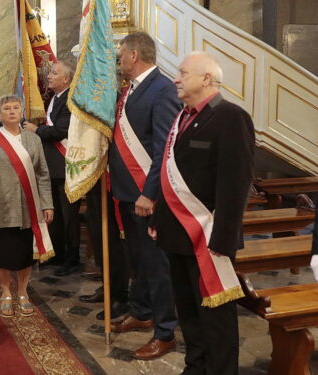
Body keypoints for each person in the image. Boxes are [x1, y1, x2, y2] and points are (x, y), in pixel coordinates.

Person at [150, 51, 255, 375]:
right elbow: (170, 175)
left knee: (217, 315)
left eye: (182, 73)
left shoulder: (231, 117)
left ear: (206, 78)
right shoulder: (182, 117)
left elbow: (235, 185)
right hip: (178, 235)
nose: (176, 79)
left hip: (210, 240)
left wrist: (222, 239)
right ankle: (196, 366)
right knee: (189, 312)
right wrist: (158, 218)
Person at [107, 32, 180, 360]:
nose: (118, 59)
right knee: (139, 260)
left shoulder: (162, 90)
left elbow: (163, 149)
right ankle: (142, 310)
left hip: (147, 197)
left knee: (156, 265)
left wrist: (149, 194)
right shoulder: (131, 90)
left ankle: (165, 332)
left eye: (121, 54)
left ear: (134, 55)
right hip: (126, 193)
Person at [0, 95, 53, 318]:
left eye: (16, 108)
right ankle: (6, 292)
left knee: (24, 253)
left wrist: (47, 203)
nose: (12, 111)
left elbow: (42, 174)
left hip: (28, 205)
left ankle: (22, 292)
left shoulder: (33, 140)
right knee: (1, 252)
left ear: (22, 112)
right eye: (6, 108)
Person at [24, 60, 82, 276]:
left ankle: (72, 258)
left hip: (65, 167)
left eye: (54, 73)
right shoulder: (55, 98)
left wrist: (35, 129)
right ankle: (56, 253)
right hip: (52, 167)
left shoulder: (70, 99)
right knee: (54, 214)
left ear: (66, 78)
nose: (49, 76)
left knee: (69, 217)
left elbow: (61, 131)